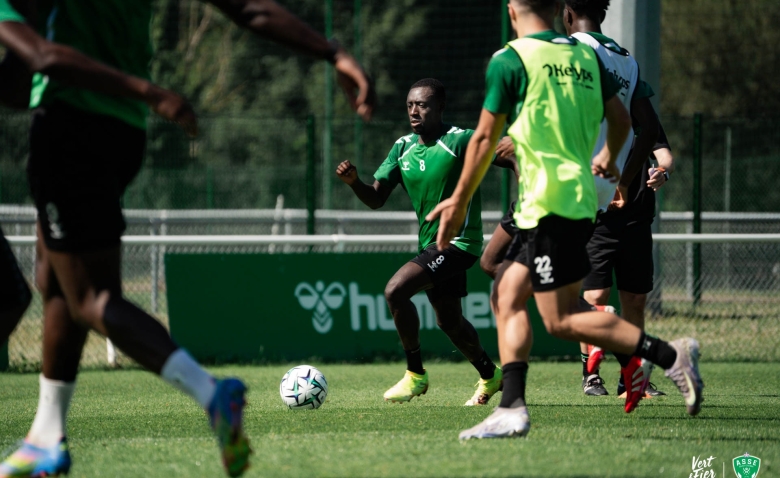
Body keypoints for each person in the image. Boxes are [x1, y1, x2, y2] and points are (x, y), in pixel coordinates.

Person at [0, 1, 375, 477]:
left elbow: (40, 58)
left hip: (70, 126)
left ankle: (210, 393)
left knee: (90, 295)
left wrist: (151, 91)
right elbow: (249, 8)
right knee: (54, 278)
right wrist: (333, 51)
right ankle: (45, 436)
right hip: (123, 131)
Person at [427, 0, 703, 440]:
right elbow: (623, 119)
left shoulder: (511, 58)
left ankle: (670, 356)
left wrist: (459, 201)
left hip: (549, 201)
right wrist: (611, 161)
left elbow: (483, 138)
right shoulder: (584, 56)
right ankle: (512, 407)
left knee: (559, 319)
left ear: (512, 10)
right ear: (558, 9)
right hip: (575, 199)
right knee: (506, 292)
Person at [0, 0, 198, 359]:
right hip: (79, 133)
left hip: (80, 134)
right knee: (78, 294)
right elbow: (40, 60)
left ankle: (54, 399)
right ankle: (206, 385)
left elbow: (18, 83)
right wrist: (148, 92)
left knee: (40, 290)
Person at [336, 78, 514, 406]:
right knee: (449, 322)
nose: (414, 111)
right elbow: (375, 198)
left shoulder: (460, 140)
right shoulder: (402, 147)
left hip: (459, 243)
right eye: (409, 105)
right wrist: (354, 182)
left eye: (422, 104)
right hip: (431, 245)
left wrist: (529, 182)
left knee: (395, 291)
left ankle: (415, 374)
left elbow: (509, 155)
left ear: (440, 107)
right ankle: (491, 375)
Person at [560, 0, 664, 398]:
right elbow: (648, 128)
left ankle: (631, 361)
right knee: (563, 292)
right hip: (605, 192)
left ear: (567, 13)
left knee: (507, 272)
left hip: (569, 187)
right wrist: (623, 179)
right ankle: (612, 368)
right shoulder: (626, 61)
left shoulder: (569, 51)